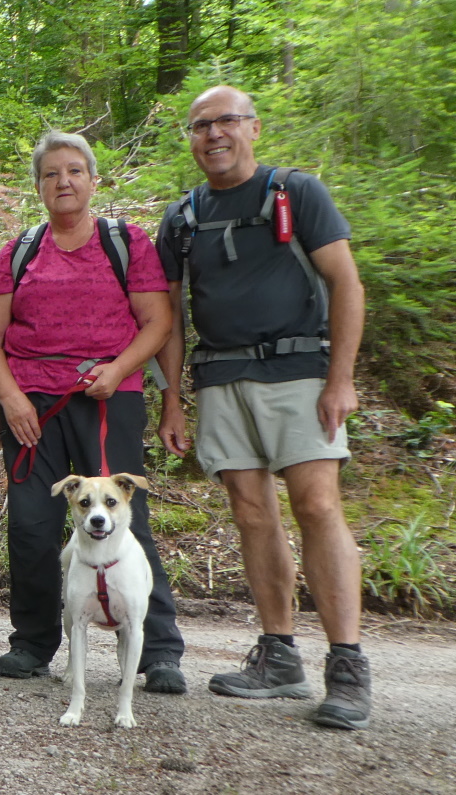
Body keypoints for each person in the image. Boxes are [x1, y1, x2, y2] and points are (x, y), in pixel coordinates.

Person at [156, 86, 369, 729]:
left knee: (317, 505)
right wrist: (173, 401)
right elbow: (168, 318)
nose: (213, 134)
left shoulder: (296, 192)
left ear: (253, 127)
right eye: (200, 126)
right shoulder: (182, 216)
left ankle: (348, 665)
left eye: (225, 121)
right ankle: (279, 655)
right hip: (221, 376)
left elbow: (346, 282)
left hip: (301, 370)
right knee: (251, 515)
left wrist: (340, 380)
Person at [0, 131, 186, 692]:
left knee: (122, 520)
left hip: (106, 399)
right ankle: (33, 642)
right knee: (31, 524)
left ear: (93, 180)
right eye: (50, 174)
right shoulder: (19, 252)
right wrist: (12, 399)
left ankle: (158, 650)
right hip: (31, 409)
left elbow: (158, 322)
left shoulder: (126, 243)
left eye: (73, 171)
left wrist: (118, 370)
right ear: (39, 185)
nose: (62, 182)